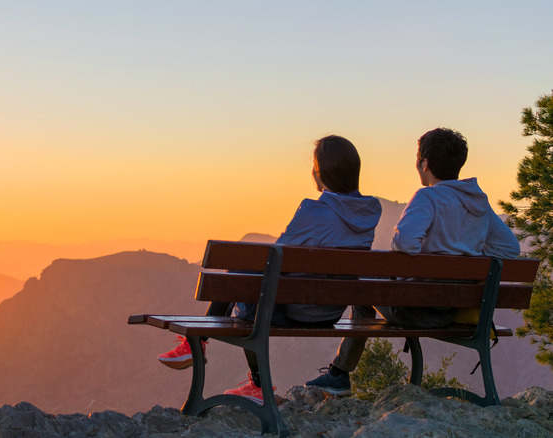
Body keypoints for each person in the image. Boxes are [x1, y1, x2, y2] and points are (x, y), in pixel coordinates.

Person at [157, 135, 383, 404]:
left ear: (319, 172)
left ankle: (226, 363)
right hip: (331, 311)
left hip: (297, 310)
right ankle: (205, 349)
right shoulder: (369, 212)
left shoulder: (314, 211)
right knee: (248, 277)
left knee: (244, 276)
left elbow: (275, 260)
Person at [305, 127, 521, 397]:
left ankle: (339, 375)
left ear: (425, 163)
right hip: (453, 311)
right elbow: (510, 249)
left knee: (361, 290)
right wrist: (468, 253)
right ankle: (339, 375)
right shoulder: (479, 202)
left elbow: (405, 243)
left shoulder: (428, 197)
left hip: (418, 309)